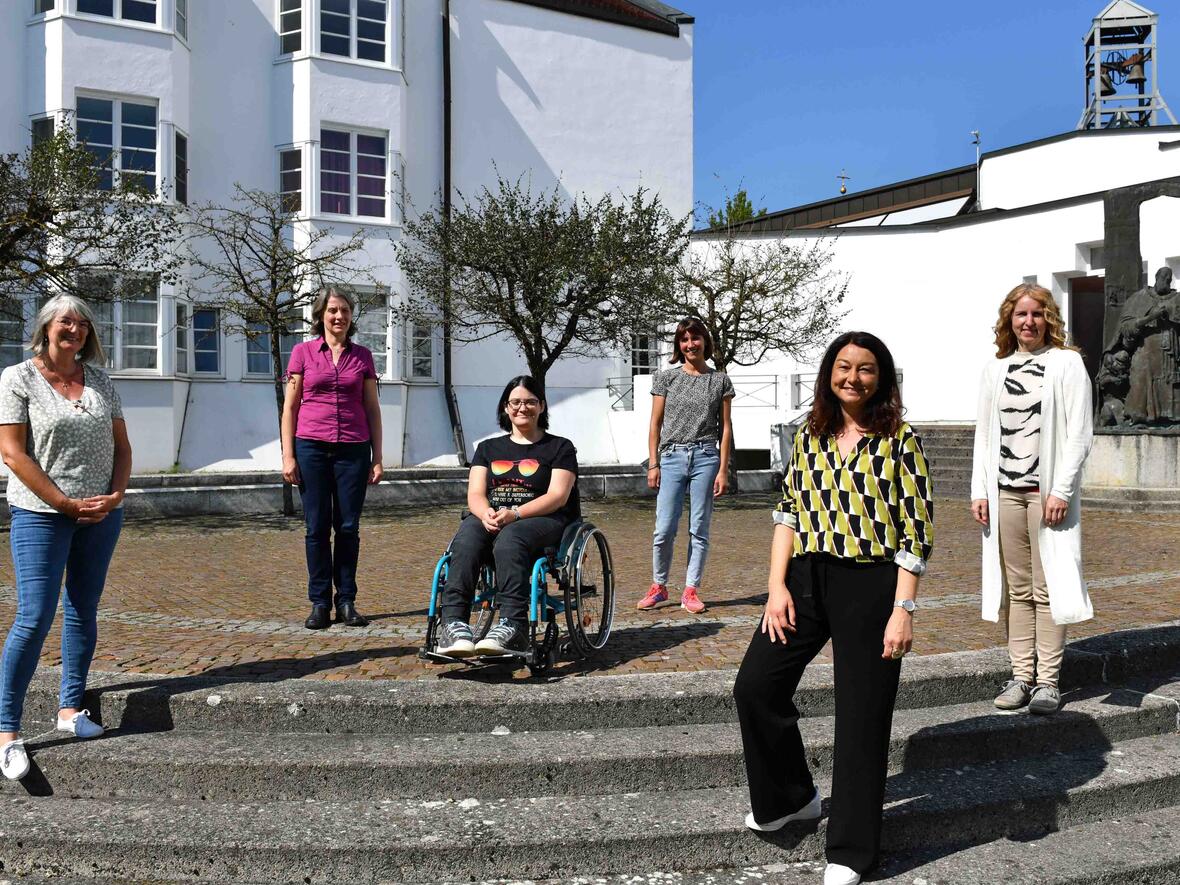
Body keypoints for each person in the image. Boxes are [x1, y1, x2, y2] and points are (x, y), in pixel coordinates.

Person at [732, 331, 933, 885]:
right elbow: (788, 514)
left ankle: (851, 851)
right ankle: (791, 797)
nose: (853, 377)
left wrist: (903, 609)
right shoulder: (811, 434)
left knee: (862, 717)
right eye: (844, 367)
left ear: (881, 378)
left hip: (871, 584)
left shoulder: (901, 439)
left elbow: (916, 532)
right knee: (756, 686)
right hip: (804, 579)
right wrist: (777, 587)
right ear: (829, 373)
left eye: (866, 369)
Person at [0, 294, 132, 781]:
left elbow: (123, 447)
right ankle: (6, 732)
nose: (73, 329)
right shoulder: (19, 378)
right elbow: (12, 453)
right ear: (46, 328)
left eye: (80, 323)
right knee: (34, 614)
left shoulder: (99, 379)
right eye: (64, 322)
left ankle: (70, 709)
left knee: (82, 608)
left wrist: (115, 496)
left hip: (99, 514)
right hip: (41, 512)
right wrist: (62, 503)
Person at [971, 282, 1094, 715]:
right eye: (1021, 315)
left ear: (1049, 320)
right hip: (1005, 493)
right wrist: (979, 491)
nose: (1029, 322)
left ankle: (1048, 682)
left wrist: (1060, 490)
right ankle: (1021, 676)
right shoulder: (996, 370)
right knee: (1017, 590)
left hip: (1047, 498)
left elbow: (1080, 433)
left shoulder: (1067, 364)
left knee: (1049, 588)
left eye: (1037, 314)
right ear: (1010, 320)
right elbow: (984, 434)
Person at [434, 375, 580, 658]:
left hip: (544, 519)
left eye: (530, 402)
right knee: (466, 537)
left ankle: (513, 624)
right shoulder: (488, 449)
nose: (522, 407)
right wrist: (485, 513)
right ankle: (453, 624)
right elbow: (476, 493)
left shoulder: (559, 448)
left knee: (511, 538)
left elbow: (557, 496)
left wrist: (515, 513)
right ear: (505, 407)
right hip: (495, 516)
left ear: (541, 406)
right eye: (515, 402)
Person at [282, 287, 383, 630]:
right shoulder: (303, 353)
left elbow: (372, 408)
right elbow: (290, 408)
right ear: (321, 315)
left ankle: (347, 601)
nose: (338, 316)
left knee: (348, 527)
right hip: (310, 447)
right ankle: (320, 602)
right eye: (332, 310)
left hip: (353, 449)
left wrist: (378, 456)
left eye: (344, 311)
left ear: (352, 317)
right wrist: (288, 456)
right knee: (316, 528)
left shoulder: (363, 357)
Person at [636, 317, 734, 614]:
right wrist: (653, 464)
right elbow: (655, 423)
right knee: (664, 528)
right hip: (671, 457)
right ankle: (659, 585)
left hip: (706, 456)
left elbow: (726, 428)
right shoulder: (667, 378)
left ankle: (690, 590)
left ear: (705, 341)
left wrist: (723, 468)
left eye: (695, 338)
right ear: (679, 345)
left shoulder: (720, 380)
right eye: (684, 340)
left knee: (699, 527)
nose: (690, 344)